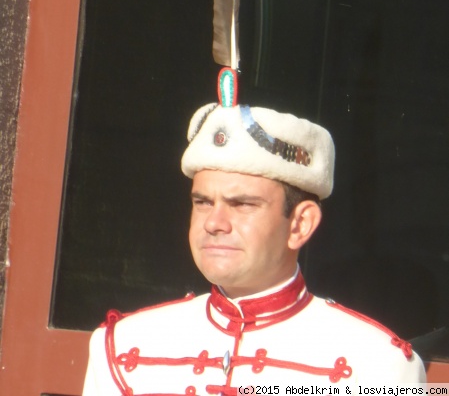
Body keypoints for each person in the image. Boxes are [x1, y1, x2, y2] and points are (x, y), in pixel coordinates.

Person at [82, 86, 426, 395]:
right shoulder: (121, 345)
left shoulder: (380, 368)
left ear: (300, 224)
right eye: (203, 202)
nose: (214, 223)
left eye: (243, 204)